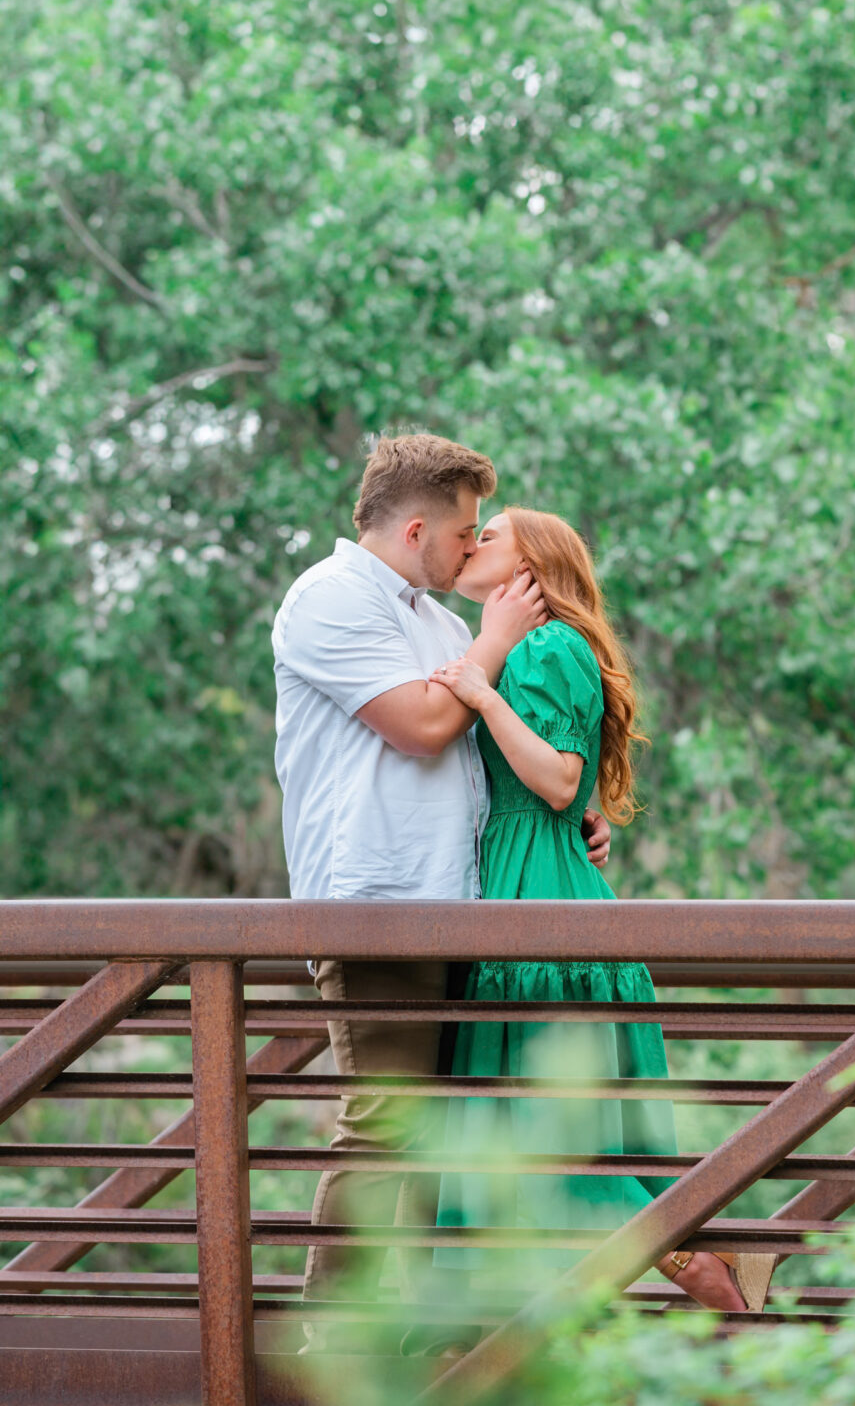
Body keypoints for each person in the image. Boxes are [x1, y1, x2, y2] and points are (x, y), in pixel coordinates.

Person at [270, 436, 613, 1314]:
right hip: (373, 906)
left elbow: (478, 760)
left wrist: (569, 820)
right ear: (418, 527)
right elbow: (423, 727)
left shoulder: (439, 621)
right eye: (465, 533)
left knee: (450, 1138)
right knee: (386, 1126)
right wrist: (496, 642)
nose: (472, 550)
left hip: (462, 906)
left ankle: (422, 1332)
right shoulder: (328, 599)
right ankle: (334, 1340)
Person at [430, 508, 776, 1314]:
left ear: (534, 567)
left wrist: (481, 695)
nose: (473, 540)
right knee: (553, 1130)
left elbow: (556, 779)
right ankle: (696, 1262)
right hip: (531, 884)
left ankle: (702, 1273)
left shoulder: (547, 645)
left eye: (492, 533)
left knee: (549, 1135)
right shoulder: (522, 648)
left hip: (543, 907)